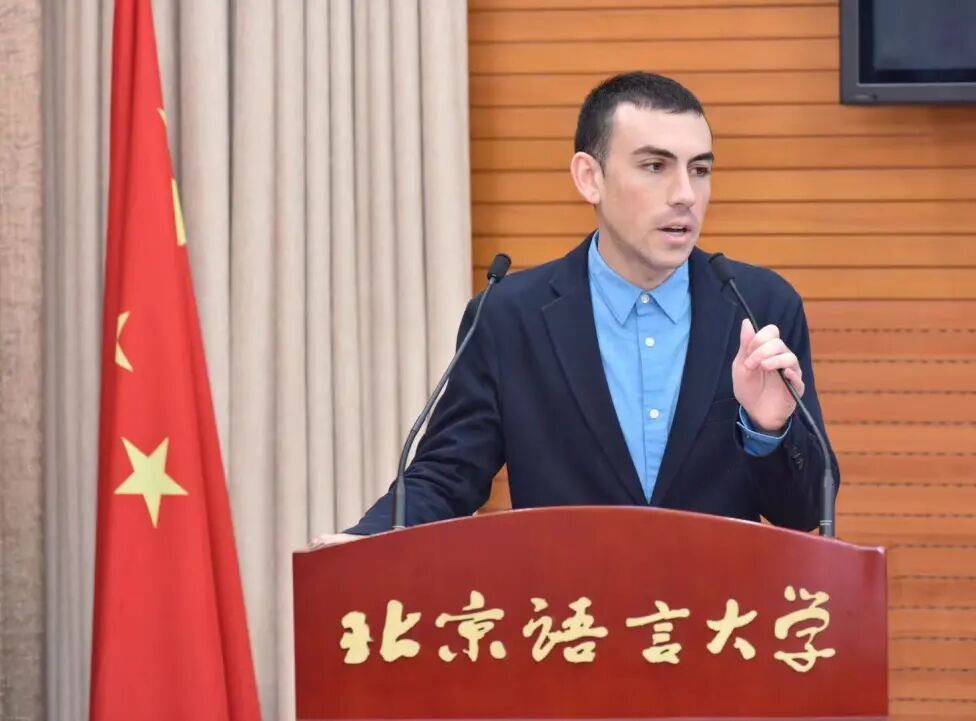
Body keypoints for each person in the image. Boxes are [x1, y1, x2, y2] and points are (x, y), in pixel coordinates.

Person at [311, 71, 838, 548]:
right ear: (590, 177)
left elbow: (805, 512)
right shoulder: (509, 317)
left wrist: (769, 430)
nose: (685, 194)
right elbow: (448, 473)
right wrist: (367, 542)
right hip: (567, 613)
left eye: (699, 170)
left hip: (719, 613)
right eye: (655, 166)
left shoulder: (758, 306)